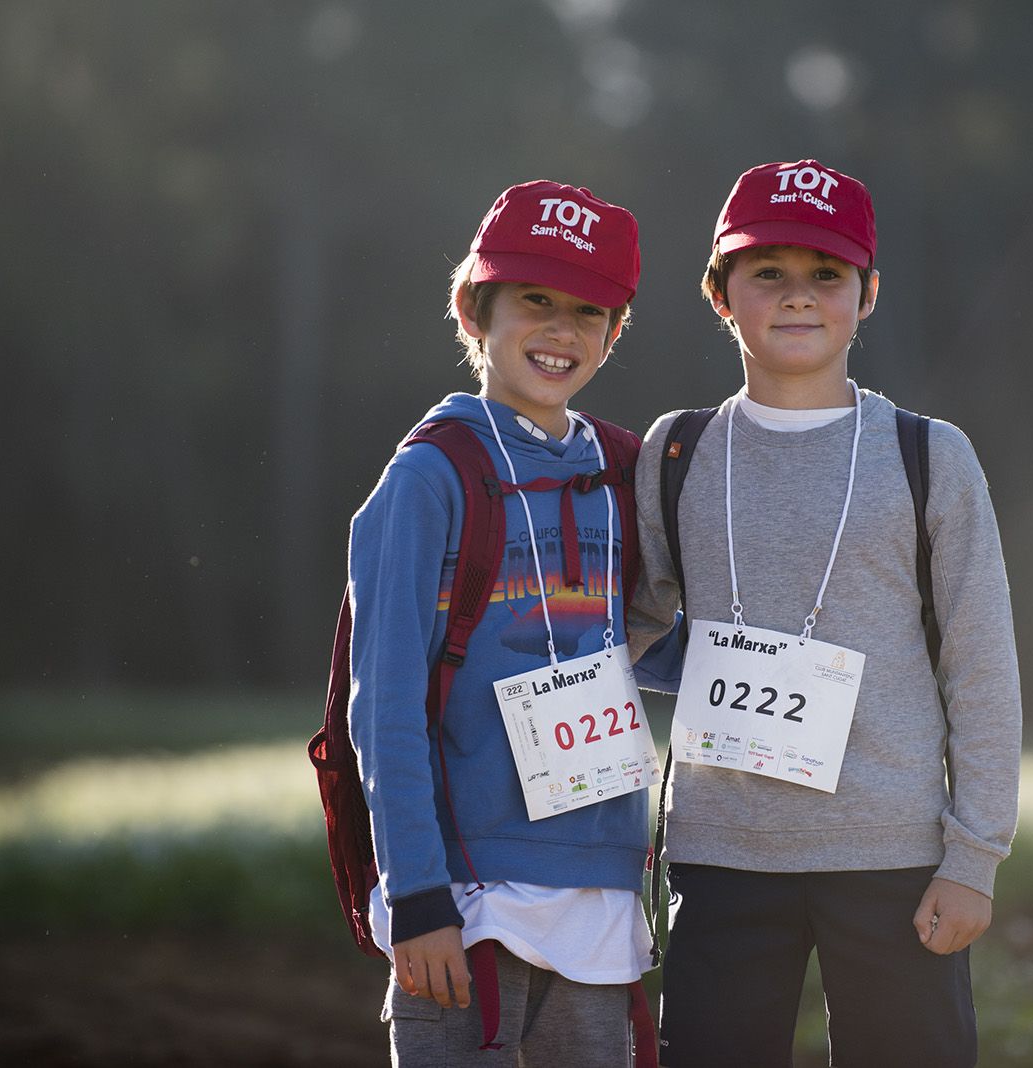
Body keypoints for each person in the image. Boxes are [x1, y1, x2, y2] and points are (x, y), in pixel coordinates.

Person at [626, 159, 1022, 1067]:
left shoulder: (929, 455)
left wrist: (974, 859)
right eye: (767, 273)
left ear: (868, 293)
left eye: (825, 276)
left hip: (893, 856)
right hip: (721, 854)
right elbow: (637, 626)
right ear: (721, 294)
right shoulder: (676, 450)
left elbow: (981, 665)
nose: (797, 298)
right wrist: (717, 674)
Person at [349, 180, 662, 1066]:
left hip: (600, 892)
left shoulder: (624, 470)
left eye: (589, 310)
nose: (561, 331)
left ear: (614, 330)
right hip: (466, 896)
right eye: (534, 299)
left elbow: (655, 641)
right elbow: (386, 709)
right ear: (472, 308)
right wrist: (416, 896)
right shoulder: (428, 478)